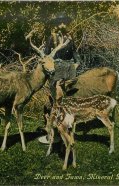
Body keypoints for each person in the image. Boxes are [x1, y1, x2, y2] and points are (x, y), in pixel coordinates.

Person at [38, 13, 81, 144]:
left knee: (69, 101)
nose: (63, 25)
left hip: (69, 70)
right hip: (56, 70)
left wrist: (76, 63)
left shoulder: (70, 38)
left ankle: (68, 130)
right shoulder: (52, 38)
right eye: (61, 22)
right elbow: (46, 56)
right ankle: (54, 133)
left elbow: (76, 55)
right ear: (57, 24)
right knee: (55, 102)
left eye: (65, 22)